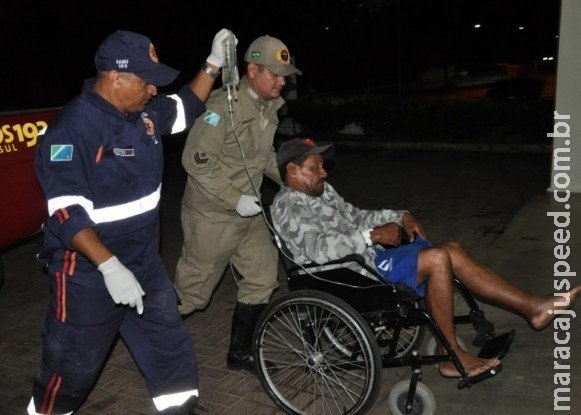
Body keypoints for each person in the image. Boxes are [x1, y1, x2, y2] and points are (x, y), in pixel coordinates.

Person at [30, 28, 234, 415]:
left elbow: (186, 107)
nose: (154, 91)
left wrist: (214, 63)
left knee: (168, 346)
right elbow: (65, 211)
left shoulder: (144, 113)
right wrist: (109, 267)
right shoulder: (74, 128)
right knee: (72, 367)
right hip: (89, 272)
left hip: (143, 262)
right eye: (146, 82)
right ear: (115, 77)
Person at [270, 137, 581, 378]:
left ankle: (531, 307)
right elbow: (317, 249)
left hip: (369, 260)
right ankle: (451, 357)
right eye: (316, 167)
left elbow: (358, 215)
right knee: (436, 259)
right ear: (293, 171)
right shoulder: (287, 205)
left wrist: (401, 215)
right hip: (349, 276)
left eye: (323, 165)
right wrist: (371, 236)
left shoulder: (322, 192)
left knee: (452, 250)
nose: (324, 172)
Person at [173, 35, 301, 373]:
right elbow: (196, 160)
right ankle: (151, 339)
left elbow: (263, 156)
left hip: (250, 213)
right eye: (274, 73)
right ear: (253, 69)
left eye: (284, 74)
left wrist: (292, 179)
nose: (281, 80)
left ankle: (241, 353)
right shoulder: (220, 108)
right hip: (212, 215)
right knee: (192, 296)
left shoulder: (268, 107)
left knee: (261, 278)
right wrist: (235, 199)